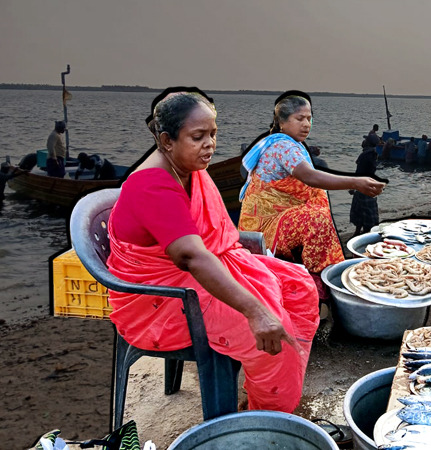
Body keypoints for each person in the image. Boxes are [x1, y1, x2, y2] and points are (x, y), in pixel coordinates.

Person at [106, 90, 319, 412]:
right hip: (162, 298)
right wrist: (255, 311)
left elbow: (210, 242)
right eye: (198, 136)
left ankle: (267, 397)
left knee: (299, 286)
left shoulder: (187, 168)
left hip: (196, 271)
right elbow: (191, 256)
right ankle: (265, 417)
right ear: (166, 140)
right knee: (272, 329)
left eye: (213, 134)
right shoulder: (152, 185)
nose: (210, 144)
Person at [238, 91, 385, 278]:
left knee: (316, 212)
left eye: (309, 118)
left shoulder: (282, 143)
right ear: (282, 122)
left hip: (265, 217)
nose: (306, 124)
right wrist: (356, 182)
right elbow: (309, 176)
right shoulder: (283, 146)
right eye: (299, 118)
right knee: (317, 220)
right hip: (267, 224)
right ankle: (323, 275)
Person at [350, 134, 380, 236]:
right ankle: (361, 230)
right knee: (364, 209)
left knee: (361, 209)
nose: (363, 142)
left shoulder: (365, 155)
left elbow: (359, 171)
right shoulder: (373, 154)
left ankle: (363, 231)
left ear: (367, 143)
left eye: (365, 140)